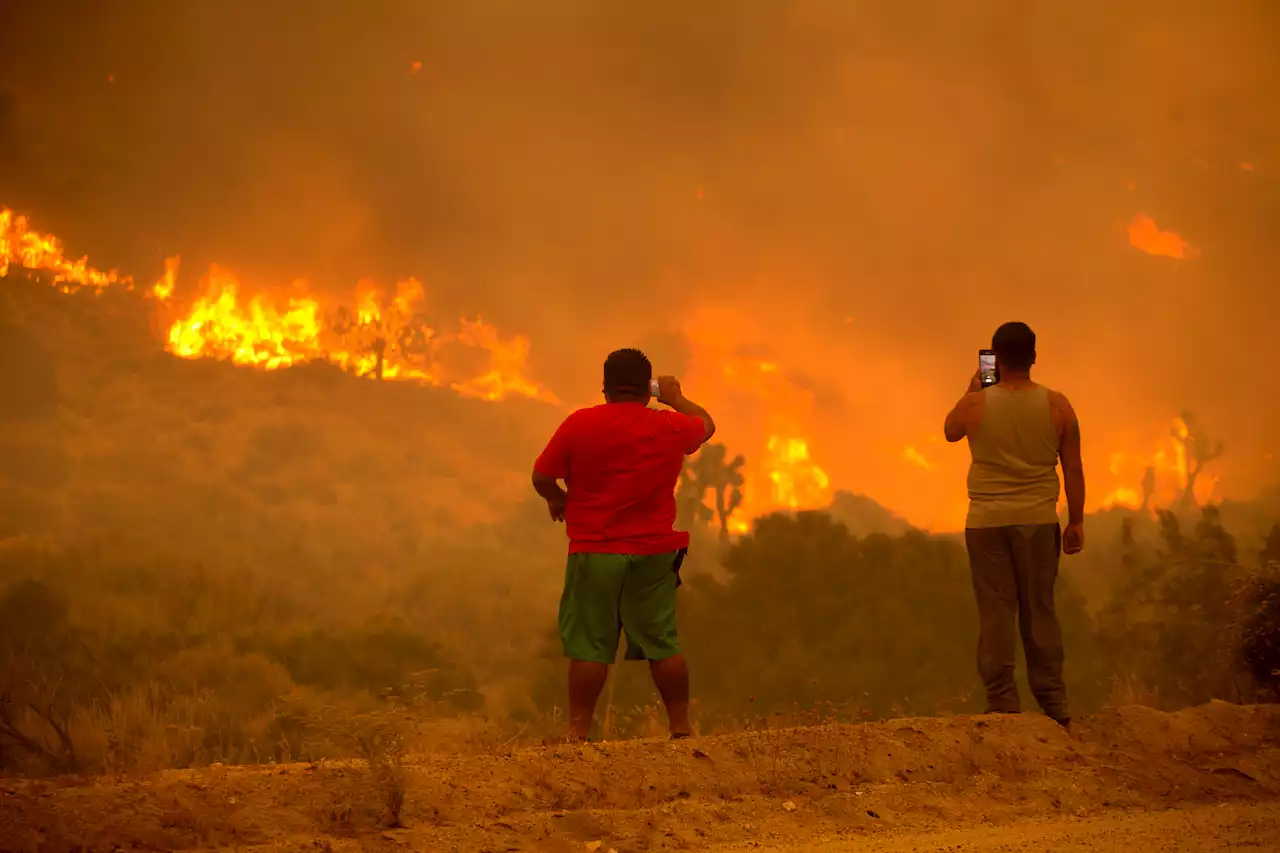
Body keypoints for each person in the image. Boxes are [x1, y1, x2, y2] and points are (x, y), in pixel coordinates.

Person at [532, 348, 715, 742]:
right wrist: (675, 397)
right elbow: (706, 424)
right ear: (647, 391)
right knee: (662, 642)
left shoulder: (579, 424)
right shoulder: (669, 426)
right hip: (654, 553)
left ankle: (578, 734)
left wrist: (558, 499)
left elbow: (541, 475)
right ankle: (681, 728)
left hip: (594, 550)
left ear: (605, 388)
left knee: (590, 644)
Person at [943, 322, 1084, 729]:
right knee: (1039, 609)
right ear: (1034, 357)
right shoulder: (1058, 406)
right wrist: (1075, 520)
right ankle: (1054, 703)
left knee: (996, 612)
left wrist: (974, 389)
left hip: (986, 524)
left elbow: (950, 431)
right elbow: (1072, 467)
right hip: (1039, 521)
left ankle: (1002, 704)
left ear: (996, 359)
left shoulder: (976, 405)